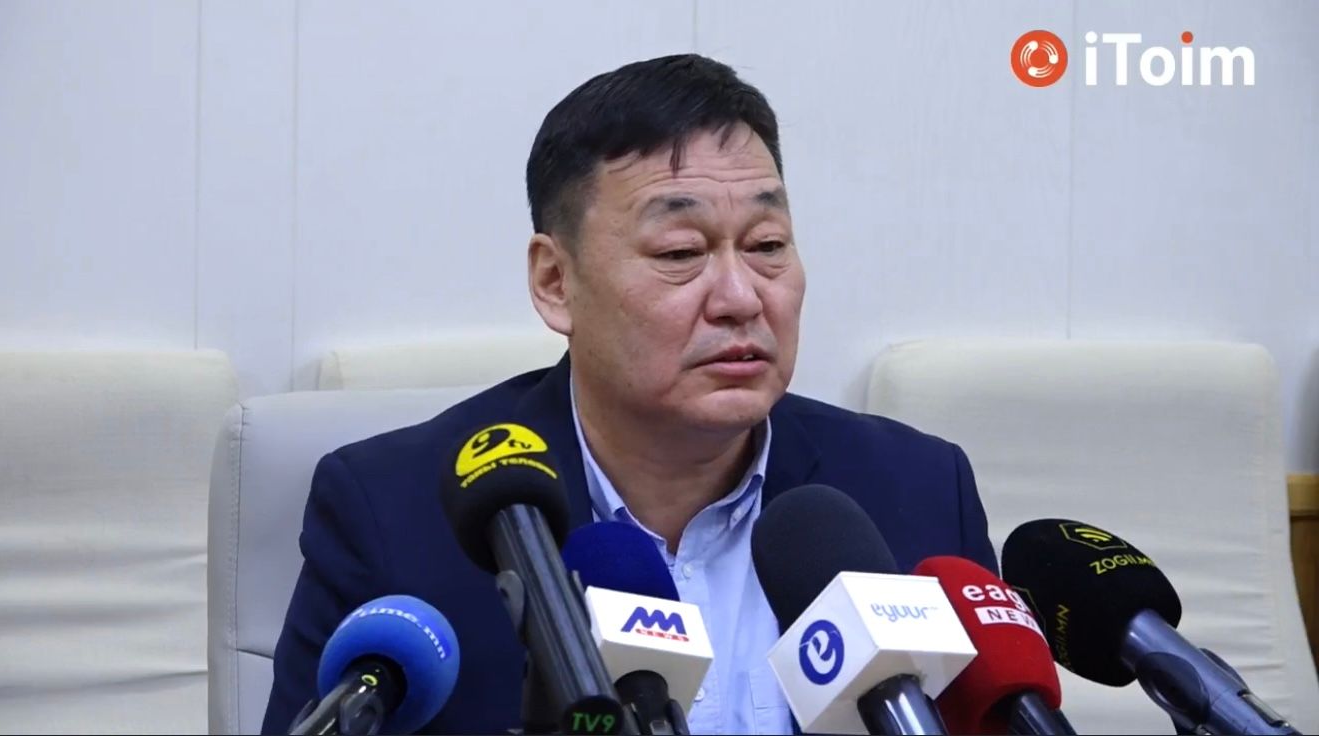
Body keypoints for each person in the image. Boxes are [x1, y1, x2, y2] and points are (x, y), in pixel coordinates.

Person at [263, 53, 996, 735]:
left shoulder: (920, 493)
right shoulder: (391, 513)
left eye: (767, 245)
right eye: (681, 253)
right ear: (556, 282)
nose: (741, 298)